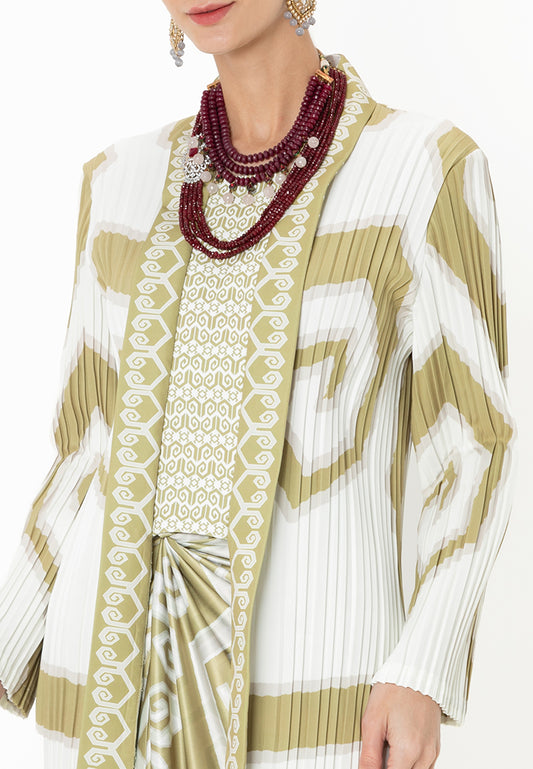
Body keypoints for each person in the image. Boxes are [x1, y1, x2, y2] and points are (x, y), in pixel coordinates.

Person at [0, 1, 516, 768]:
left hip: (312, 678)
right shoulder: (115, 182)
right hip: (106, 672)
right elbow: (83, 451)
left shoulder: (422, 167)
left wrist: (421, 665)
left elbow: (472, 444)